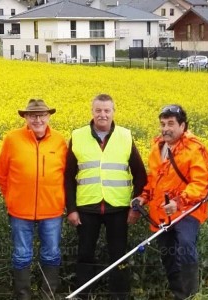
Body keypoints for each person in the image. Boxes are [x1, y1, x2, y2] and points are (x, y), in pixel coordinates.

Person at [65, 94, 147, 299]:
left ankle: (119, 296)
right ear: (92, 111)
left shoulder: (125, 136)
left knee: (119, 256)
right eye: (98, 110)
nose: (102, 114)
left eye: (106, 110)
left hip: (118, 208)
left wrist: (135, 206)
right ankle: (83, 295)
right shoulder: (77, 136)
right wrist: (72, 209)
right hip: (87, 208)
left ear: (113, 112)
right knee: (84, 254)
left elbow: (140, 174)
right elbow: (68, 177)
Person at [134, 104, 208, 300]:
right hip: (161, 211)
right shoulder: (157, 147)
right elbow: (154, 179)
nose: (165, 128)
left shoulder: (194, 149)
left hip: (186, 210)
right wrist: (143, 197)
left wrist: (180, 201)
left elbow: (200, 182)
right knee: (167, 254)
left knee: (185, 245)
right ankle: (179, 294)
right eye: (162, 124)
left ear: (182, 126)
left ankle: (192, 294)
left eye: (170, 123)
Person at [0, 99, 67, 300]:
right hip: (20, 211)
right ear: (25, 117)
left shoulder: (60, 141)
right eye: (33, 115)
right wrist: (11, 197)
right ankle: (22, 296)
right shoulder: (12, 139)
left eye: (42, 114)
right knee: (21, 255)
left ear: (49, 116)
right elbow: (1, 174)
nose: (38, 119)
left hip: (52, 210)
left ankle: (48, 295)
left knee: (51, 254)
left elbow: (66, 174)